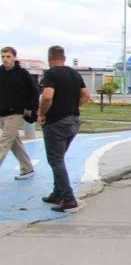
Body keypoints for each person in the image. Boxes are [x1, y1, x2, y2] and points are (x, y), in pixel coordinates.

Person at [38, 45, 91, 211]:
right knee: (59, 157)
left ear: (49, 58)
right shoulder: (74, 74)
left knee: (56, 160)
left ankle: (68, 198)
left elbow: (47, 96)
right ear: (64, 58)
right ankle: (57, 193)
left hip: (56, 123)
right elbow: (86, 96)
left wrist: (42, 114)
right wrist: (71, 106)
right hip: (73, 122)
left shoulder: (50, 74)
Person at [0, 46, 39, 181]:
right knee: (14, 142)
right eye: (3, 57)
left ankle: (27, 168)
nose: (5, 59)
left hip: (15, 113)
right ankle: (27, 168)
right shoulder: (0, 72)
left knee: (3, 142)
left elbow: (35, 91)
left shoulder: (22, 74)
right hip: (2, 113)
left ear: (14, 57)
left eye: (8, 56)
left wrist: (30, 108)